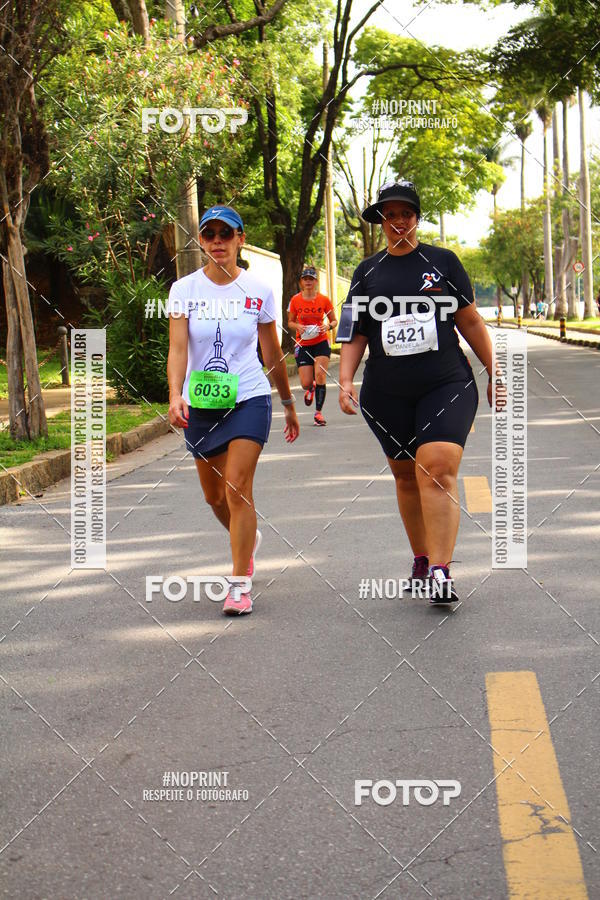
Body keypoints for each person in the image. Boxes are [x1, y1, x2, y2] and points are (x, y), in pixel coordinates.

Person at [338, 180, 496, 604]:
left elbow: (471, 322)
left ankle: (443, 571)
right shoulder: (366, 272)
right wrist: (347, 379)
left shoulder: (443, 262)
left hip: (446, 383)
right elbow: (353, 331)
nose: (398, 222)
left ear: (416, 217)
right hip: (386, 393)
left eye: (405, 213)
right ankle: (422, 558)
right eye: (390, 215)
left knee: (437, 468)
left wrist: (493, 369)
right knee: (406, 476)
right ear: (382, 222)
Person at [167, 205, 300, 616]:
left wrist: (288, 401)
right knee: (214, 497)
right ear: (202, 241)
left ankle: (239, 583)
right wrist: (175, 394)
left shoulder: (258, 290)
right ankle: (248, 541)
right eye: (210, 235)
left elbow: (271, 350)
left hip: (249, 396)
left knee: (237, 487)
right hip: (202, 403)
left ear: (241, 239)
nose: (218, 241)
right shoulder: (183, 291)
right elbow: (178, 348)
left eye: (227, 234)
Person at [287, 266, 338, 425]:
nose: (308, 281)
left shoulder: (324, 300)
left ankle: (318, 414)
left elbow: (334, 321)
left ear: (316, 281)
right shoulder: (295, 300)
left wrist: (328, 327)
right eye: (305, 279)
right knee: (306, 383)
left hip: (321, 341)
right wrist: (298, 327)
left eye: (311, 279)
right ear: (302, 281)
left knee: (321, 375)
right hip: (303, 343)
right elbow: (290, 322)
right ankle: (311, 388)